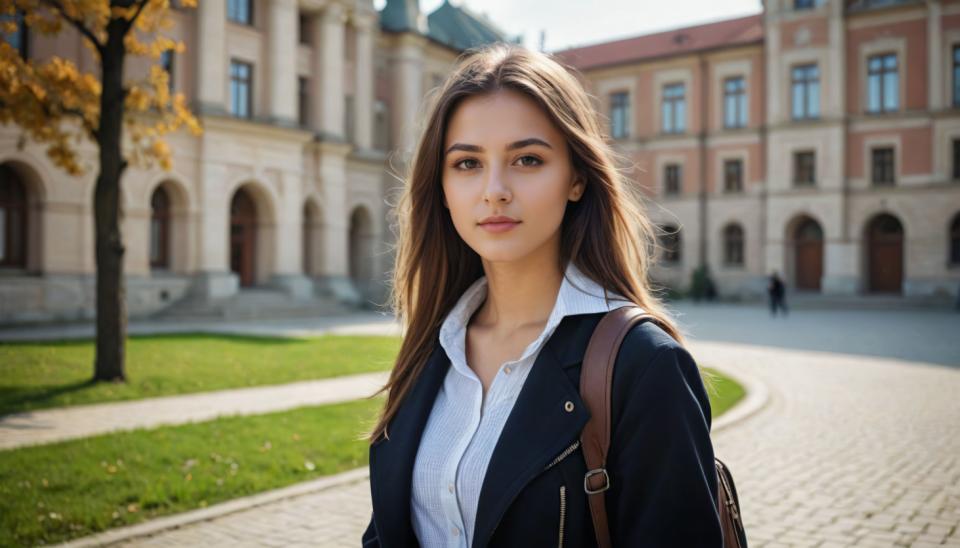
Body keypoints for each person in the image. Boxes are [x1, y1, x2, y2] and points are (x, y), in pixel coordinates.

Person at [362, 43, 722, 547]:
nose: (494, 190)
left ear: (576, 178)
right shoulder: (433, 345)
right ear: (440, 186)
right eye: (467, 164)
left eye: (527, 159)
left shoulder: (645, 366)